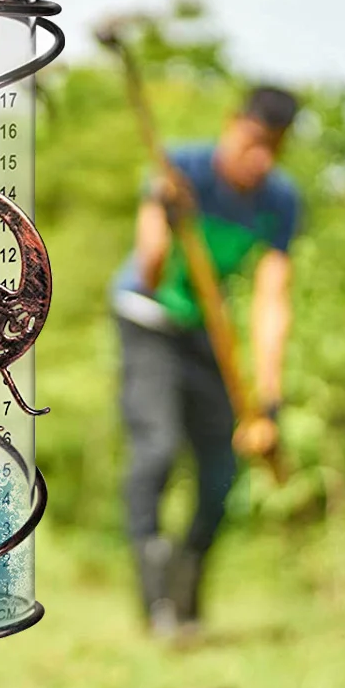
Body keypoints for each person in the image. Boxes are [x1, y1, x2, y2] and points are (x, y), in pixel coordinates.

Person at [111, 85, 300, 634]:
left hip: (205, 336)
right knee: (158, 448)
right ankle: (155, 603)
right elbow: (149, 267)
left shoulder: (279, 201)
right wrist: (167, 220)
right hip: (146, 317)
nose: (262, 158)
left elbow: (272, 299)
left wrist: (267, 396)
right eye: (255, 141)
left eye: (276, 147)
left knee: (221, 472)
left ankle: (186, 593)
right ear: (232, 123)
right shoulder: (182, 167)